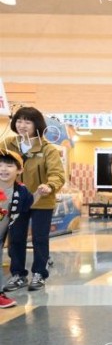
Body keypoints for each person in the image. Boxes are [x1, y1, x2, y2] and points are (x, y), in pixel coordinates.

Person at [3, 107, 66, 292]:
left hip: (41, 200)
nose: (22, 125)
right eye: (19, 121)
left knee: (39, 238)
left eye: (27, 122)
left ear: (36, 125)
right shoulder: (7, 145)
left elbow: (57, 174)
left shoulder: (48, 149)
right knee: (15, 238)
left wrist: (50, 185)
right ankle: (18, 275)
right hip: (15, 200)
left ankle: (39, 273)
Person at [0, 150, 42, 306]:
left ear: (19, 170)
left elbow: (27, 204)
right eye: (0, 165)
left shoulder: (21, 190)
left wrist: (39, 192)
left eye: (9, 166)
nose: (3, 169)